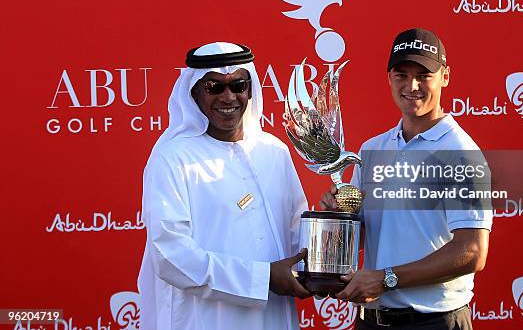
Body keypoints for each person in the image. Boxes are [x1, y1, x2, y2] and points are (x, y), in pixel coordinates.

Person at [320, 28, 492, 329]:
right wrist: (339, 217)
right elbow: (363, 235)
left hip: (432, 322)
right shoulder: (372, 149)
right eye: (401, 75)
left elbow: (472, 252)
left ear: (445, 77)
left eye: (424, 75)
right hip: (371, 320)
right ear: (389, 78)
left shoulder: (460, 151)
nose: (411, 86)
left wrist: (387, 278)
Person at [138, 42, 310, 330]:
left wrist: (330, 228)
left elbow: (296, 231)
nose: (228, 97)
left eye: (238, 85)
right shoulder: (172, 158)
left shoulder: (274, 151)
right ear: (194, 93)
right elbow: (170, 255)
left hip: (274, 316)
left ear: (250, 89)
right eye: (214, 87)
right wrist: (263, 278)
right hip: (206, 319)